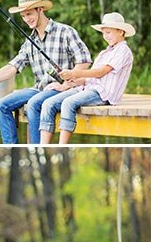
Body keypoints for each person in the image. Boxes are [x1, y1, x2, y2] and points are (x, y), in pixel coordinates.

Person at [0, 0, 91, 144]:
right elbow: (12, 67)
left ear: (40, 9)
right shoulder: (30, 41)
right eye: (23, 16)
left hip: (63, 90)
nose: (26, 19)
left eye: (29, 14)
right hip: (40, 89)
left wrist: (65, 85)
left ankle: (36, 146)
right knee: (2, 105)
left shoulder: (65, 31)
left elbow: (85, 61)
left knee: (34, 104)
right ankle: (11, 147)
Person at [39, 11, 135, 144]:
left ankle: (62, 146)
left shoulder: (123, 51)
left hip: (103, 94)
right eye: (103, 32)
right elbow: (91, 78)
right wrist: (73, 82)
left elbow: (100, 72)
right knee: (48, 104)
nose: (105, 36)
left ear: (121, 32)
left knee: (68, 103)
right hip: (88, 89)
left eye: (108, 32)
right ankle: (43, 145)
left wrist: (74, 73)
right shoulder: (105, 53)